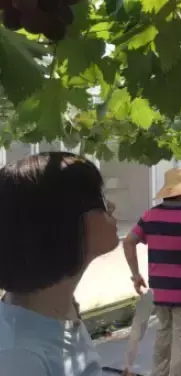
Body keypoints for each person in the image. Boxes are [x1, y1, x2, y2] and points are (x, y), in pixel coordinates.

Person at [0, 152, 119, 375]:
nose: (110, 206)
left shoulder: (58, 309)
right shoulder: (20, 359)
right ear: (58, 222)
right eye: (99, 199)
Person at [123, 168, 181, 376]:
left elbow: (128, 242)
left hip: (160, 291)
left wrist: (136, 275)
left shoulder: (150, 216)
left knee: (163, 336)